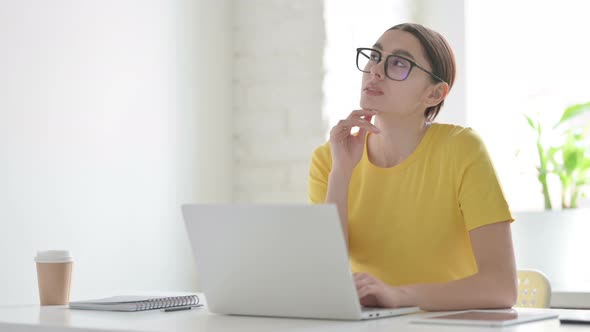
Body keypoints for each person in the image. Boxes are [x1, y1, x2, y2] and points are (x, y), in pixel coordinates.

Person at [308, 23, 517, 311]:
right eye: (375, 57)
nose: (375, 71)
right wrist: (341, 173)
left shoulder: (461, 150)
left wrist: (401, 296)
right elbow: (323, 278)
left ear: (433, 94)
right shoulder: (330, 159)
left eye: (398, 63)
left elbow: (501, 288)